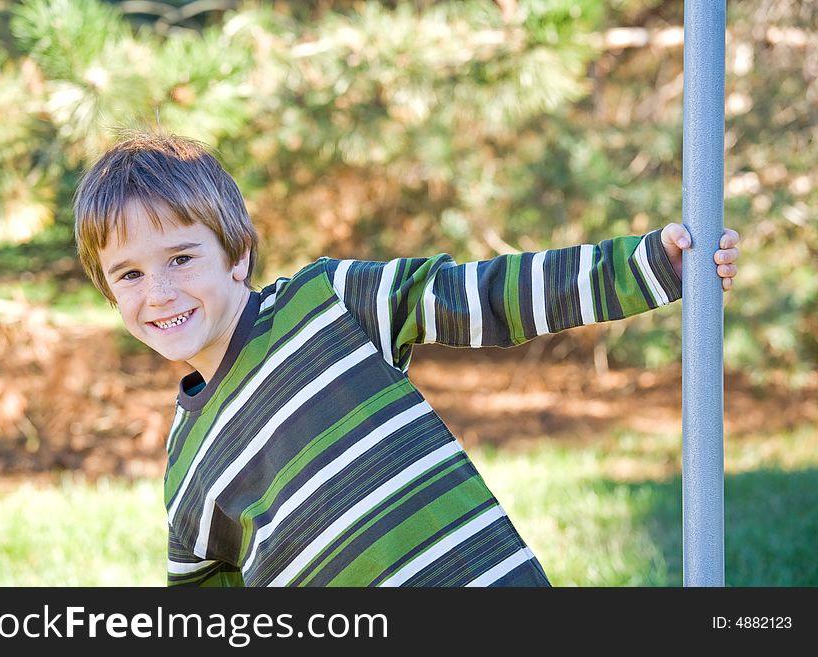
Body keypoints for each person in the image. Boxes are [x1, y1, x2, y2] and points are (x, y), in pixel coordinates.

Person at [73, 132, 740, 587]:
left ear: (237, 252)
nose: (157, 293)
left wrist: (648, 266)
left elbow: (485, 295)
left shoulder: (326, 302)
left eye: (180, 258)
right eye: (128, 274)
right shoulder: (190, 476)